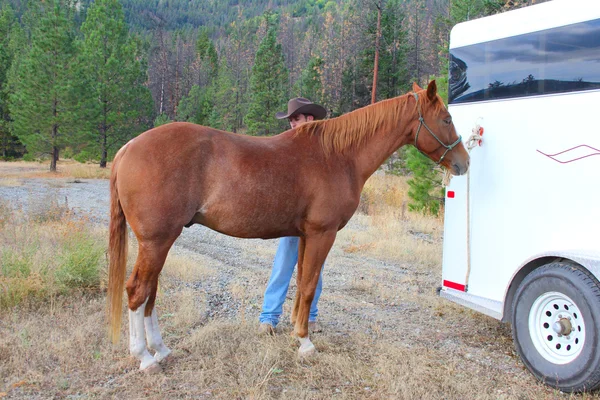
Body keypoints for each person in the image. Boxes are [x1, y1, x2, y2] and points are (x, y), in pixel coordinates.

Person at [259, 97, 328, 335]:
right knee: (283, 265)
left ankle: (310, 315)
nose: (291, 124)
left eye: (295, 119)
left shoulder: (326, 146)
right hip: (294, 217)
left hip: (316, 217)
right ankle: (269, 317)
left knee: (314, 268)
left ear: (309, 118)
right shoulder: (289, 146)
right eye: (289, 120)